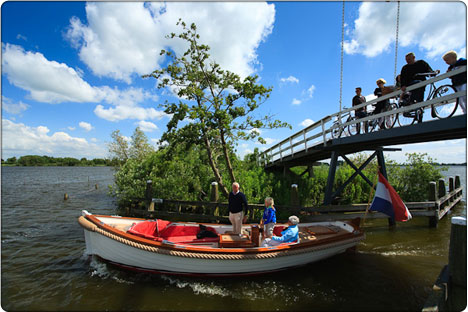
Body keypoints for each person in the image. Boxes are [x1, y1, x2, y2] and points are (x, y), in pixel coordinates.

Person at [400, 52, 438, 122]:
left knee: (420, 100)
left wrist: (434, 72)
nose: (407, 61)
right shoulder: (405, 68)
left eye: (409, 59)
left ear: (414, 58)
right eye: (406, 60)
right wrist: (403, 85)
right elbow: (402, 78)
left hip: (422, 85)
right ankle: (410, 103)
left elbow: (429, 70)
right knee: (417, 85)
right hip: (411, 84)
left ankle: (419, 119)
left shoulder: (422, 63)